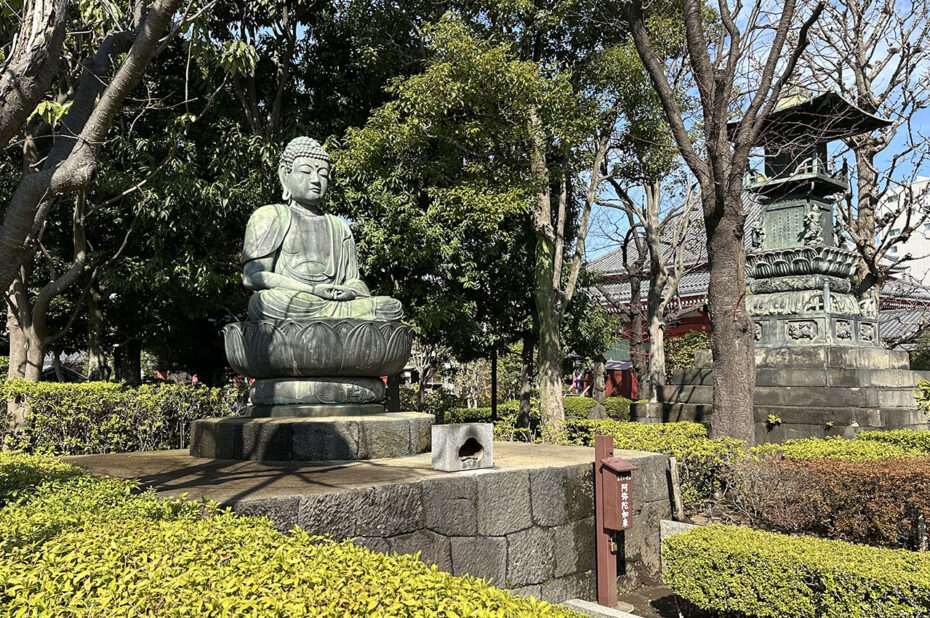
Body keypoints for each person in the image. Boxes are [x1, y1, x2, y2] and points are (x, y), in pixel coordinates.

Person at [241, 137, 403, 321]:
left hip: (335, 304)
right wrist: (312, 290)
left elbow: (353, 281)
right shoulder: (271, 215)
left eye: (323, 174)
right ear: (285, 174)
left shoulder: (340, 227)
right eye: (305, 171)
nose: (316, 180)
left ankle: (334, 323)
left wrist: (349, 292)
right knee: (264, 301)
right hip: (294, 302)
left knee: (390, 307)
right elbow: (252, 277)